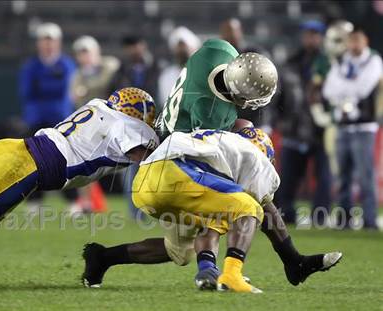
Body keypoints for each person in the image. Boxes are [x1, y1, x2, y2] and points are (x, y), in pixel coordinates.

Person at [82, 127, 342, 292]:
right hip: (174, 175)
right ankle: (233, 274)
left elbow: (215, 221)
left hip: (147, 184)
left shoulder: (223, 148)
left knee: (180, 249)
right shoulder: (256, 158)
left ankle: (102, 257)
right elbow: (266, 207)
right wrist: (292, 258)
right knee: (250, 207)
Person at [0, 88, 158, 241]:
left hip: (5, 149)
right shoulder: (126, 126)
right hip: (22, 167)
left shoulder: (98, 105)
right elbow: (148, 161)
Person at [322, 28, 383, 229]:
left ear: (365, 41)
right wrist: (348, 89)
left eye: (358, 40)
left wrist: (343, 89)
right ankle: (344, 220)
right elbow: (328, 90)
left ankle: (370, 221)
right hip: (342, 126)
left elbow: (364, 88)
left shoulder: (373, 61)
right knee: (343, 177)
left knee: (366, 177)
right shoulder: (341, 62)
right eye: (352, 40)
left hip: (364, 126)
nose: (354, 44)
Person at [274, 20, 332, 225]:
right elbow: (279, 94)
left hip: (322, 130)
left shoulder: (330, 63)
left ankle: (321, 218)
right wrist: (279, 119)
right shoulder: (291, 62)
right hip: (294, 129)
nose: (311, 38)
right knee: (288, 178)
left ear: (322, 38)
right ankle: (286, 216)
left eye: (315, 34)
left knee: (323, 178)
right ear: (303, 36)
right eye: (308, 34)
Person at [19, 22, 78, 211]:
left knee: (66, 159)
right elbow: (27, 92)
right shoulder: (31, 66)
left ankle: (73, 201)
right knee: (33, 161)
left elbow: (66, 91)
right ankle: (34, 201)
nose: (48, 44)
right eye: (44, 40)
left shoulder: (66, 65)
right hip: (36, 119)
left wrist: (44, 86)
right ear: (39, 43)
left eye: (51, 40)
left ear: (58, 42)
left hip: (60, 119)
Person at [112, 35, 160, 219]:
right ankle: (135, 212)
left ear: (143, 45)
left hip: (152, 124)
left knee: (153, 168)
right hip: (129, 126)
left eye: (135, 45)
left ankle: (153, 209)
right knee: (132, 168)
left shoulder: (156, 67)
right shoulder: (123, 69)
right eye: (129, 47)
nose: (132, 50)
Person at [71, 36, 120, 108]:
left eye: (87, 52)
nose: (85, 57)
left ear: (97, 51)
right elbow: (74, 96)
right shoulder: (78, 74)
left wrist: (87, 89)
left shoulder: (110, 64)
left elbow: (105, 83)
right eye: (81, 54)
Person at [158, 26, 200, 106]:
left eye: (184, 48)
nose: (181, 51)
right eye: (178, 48)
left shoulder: (205, 72)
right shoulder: (167, 76)